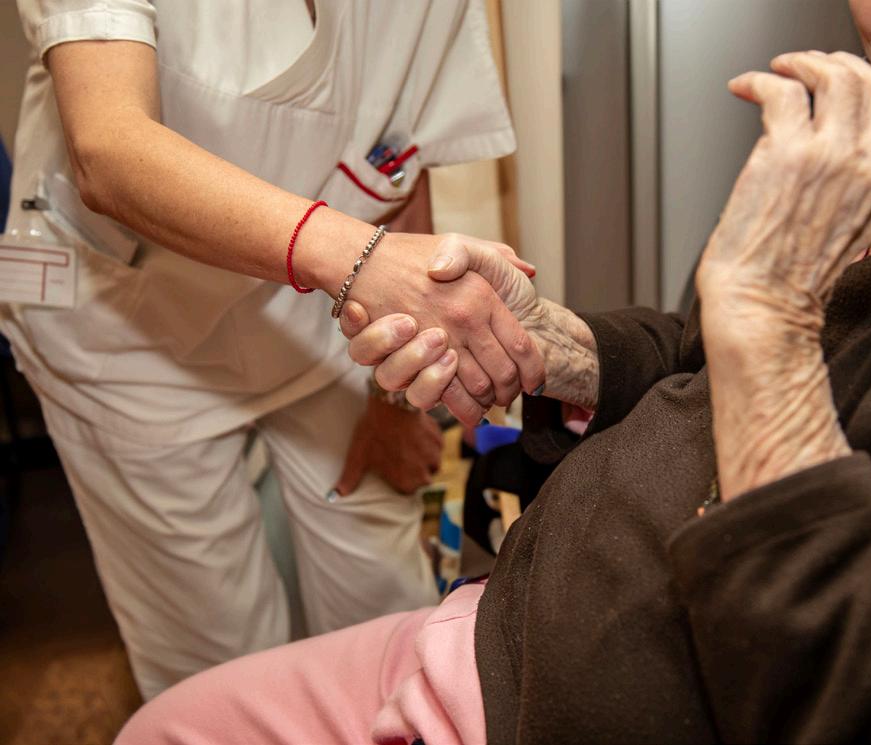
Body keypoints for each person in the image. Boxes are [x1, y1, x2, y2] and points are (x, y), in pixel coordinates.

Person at [115, 0, 871, 742]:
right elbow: (698, 361)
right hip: (497, 630)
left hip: (539, 708)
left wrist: (766, 309)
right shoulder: (856, 174)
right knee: (169, 722)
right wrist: (549, 342)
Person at [2, 0, 544, 700]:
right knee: (217, 657)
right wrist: (361, 258)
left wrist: (392, 400)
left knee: (386, 610)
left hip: (321, 316)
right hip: (126, 331)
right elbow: (108, 149)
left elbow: (397, 162)